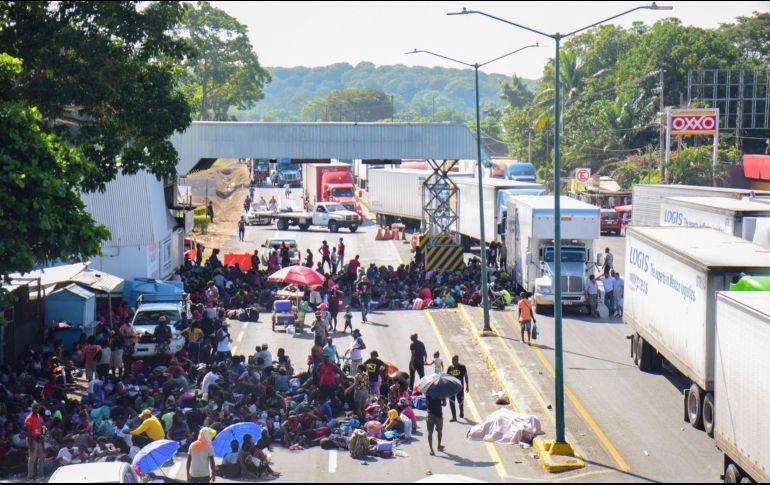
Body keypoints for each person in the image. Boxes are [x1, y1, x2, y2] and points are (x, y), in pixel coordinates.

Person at [24, 403, 44, 479]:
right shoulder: (29, 418)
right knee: (32, 458)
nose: (36, 409)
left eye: (37, 408)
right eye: (35, 408)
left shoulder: (38, 416)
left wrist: (41, 435)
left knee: (41, 457)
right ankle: (30, 475)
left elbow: (38, 428)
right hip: (32, 440)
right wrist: (30, 444)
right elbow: (28, 432)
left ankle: (40, 474)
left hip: (38, 439)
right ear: (32, 408)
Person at [447, 355, 469, 421]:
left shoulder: (462, 367)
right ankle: (454, 417)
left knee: (460, 401)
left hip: (460, 388)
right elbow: (447, 377)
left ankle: (461, 411)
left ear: (457, 360)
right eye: (452, 361)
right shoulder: (450, 368)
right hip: (452, 388)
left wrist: (467, 386)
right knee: (451, 402)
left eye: (454, 361)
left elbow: (466, 376)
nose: (452, 362)